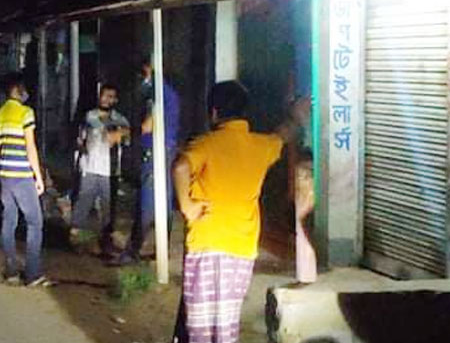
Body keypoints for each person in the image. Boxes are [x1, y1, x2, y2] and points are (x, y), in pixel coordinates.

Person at [173, 81, 307, 343]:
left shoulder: (206, 144)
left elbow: (180, 167)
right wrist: (297, 116)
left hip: (206, 242)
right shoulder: (259, 146)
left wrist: (187, 207)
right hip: (240, 248)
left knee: (199, 326)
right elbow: (283, 135)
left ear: (214, 112)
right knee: (227, 323)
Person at [111, 59, 181, 266]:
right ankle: (161, 250)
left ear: (150, 71)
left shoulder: (156, 95)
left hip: (154, 152)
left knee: (147, 203)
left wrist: (122, 133)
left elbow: (147, 126)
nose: (141, 79)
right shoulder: (170, 94)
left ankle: (133, 251)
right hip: (167, 150)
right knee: (164, 201)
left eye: (143, 74)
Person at [0, 75, 49, 287]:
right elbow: (30, 146)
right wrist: (38, 176)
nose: (26, 93)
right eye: (24, 89)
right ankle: (32, 274)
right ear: (18, 91)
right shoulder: (25, 112)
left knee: (9, 222)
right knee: (35, 222)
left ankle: (11, 271)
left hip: (5, 176)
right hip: (22, 175)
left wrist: (3, 162)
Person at [70, 84, 130, 255]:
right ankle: (75, 236)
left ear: (116, 100)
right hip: (90, 166)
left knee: (108, 206)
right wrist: (120, 132)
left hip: (110, 170)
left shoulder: (120, 119)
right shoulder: (91, 116)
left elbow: (125, 138)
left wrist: (121, 133)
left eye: (111, 96)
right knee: (84, 201)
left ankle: (106, 240)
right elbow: (102, 132)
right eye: (104, 95)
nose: (106, 99)